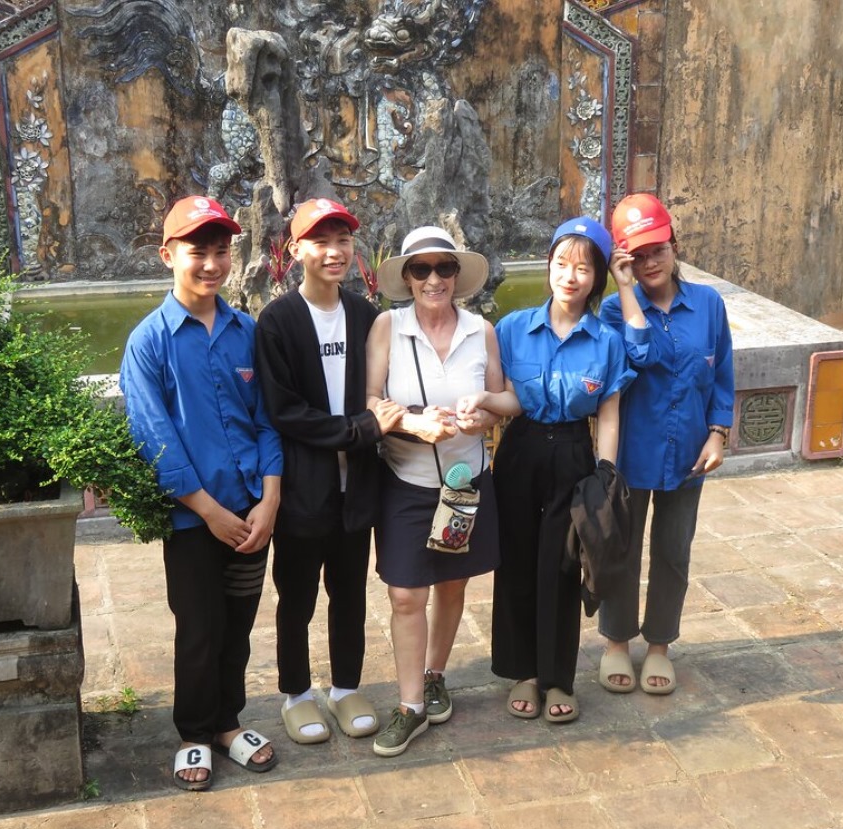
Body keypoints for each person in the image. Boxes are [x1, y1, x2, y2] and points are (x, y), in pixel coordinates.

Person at [120, 196, 281, 791]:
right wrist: (209, 512)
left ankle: (227, 723)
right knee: (198, 626)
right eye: (198, 252)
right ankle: (194, 732)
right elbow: (153, 435)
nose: (211, 264)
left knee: (238, 624)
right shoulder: (149, 342)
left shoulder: (246, 332)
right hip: (194, 519)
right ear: (168, 255)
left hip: (250, 513)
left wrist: (270, 500)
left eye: (221, 251)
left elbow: (267, 419)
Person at [463, 218, 635, 723]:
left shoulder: (606, 341)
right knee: (516, 561)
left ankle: (558, 677)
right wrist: (481, 400)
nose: (569, 276)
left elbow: (608, 412)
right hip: (520, 450)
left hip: (573, 456)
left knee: (562, 566)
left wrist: (606, 472)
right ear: (549, 267)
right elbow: (507, 399)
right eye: (561, 264)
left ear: (597, 277)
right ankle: (522, 672)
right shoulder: (513, 329)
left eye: (583, 268)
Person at [255, 198, 404, 745]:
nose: (334, 251)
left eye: (342, 240)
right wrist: (359, 430)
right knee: (296, 598)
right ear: (296, 251)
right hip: (303, 489)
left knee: (350, 593)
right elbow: (285, 411)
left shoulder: (365, 315)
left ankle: (345, 688)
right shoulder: (277, 322)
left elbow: (383, 387)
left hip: (355, 487)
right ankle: (296, 694)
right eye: (320, 241)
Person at [364, 226, 504, 756]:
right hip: (407, 480)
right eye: (421, 269)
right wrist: (412, 424)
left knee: (451, 585)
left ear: (457, 275)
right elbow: (368, 399)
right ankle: (410, 707)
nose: (433, 279)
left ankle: (434, 675)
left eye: (444, 268)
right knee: (405, 594)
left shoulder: (480, 330)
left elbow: (499, 397)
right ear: (406, 278)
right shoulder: (388, 326)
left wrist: (481, 416)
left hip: (465, 484)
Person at [596, 193, 735, 696]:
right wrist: (625, 289)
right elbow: (640, 356)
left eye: (657, 250)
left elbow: (722, 373)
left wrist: (718, 432)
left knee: (674, 551)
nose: (650, 262)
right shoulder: (614, 310)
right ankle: (616, 641)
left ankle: (659, 645)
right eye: (636, 256)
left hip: (688, 452)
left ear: (675, 245)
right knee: (622, 549)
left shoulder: (708, 304)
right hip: (632, 451)